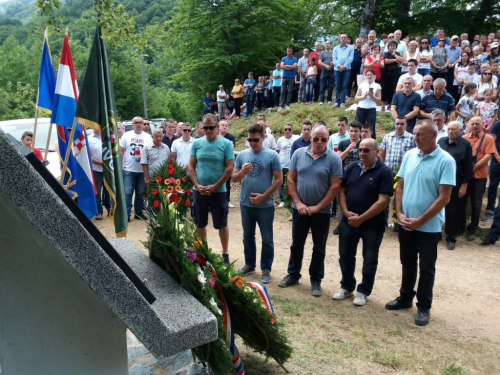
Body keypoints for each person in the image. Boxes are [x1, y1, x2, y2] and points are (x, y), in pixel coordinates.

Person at [386, 120, 455, 327]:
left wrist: (420, 221)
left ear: (434, 135)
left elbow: (444, 198)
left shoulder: (446, 160)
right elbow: (399, 187)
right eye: (414, 134)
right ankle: (406, 297)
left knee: (426, 267)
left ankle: (424, 306)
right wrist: (399, 213)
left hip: (428, 226)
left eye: (420, 135)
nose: (415, 138)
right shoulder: (410, 155)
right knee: (407, 262)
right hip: (407, 222)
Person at [278, 125, 343, 297]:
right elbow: (290, 179)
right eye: (316, 138)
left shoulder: (334, 158)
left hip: (321, 212)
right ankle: (293, 274)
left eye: (324, 139)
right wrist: (298, 202)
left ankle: (316, 279)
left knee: (319, 247)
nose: (320, 142)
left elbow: (335, 186)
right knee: (296, 244)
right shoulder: (299, 154)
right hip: (299, 209)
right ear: (310, 137)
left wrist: (318, 207)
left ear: (328, 140)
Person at [333, 138, 393, 306]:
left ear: (376, 151)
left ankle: (363, 291)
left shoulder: (384, 172)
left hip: (372, 225)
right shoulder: (352, 167)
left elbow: (383, 201)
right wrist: (345, 212)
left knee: (369, 259)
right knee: (345, 255)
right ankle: (346, 286)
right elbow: (342, 191)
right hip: (348, 221)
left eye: (366, 150)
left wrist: (361, 218)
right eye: (360, 150)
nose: (362, 153)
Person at [232, 123, 283, 283]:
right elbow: (233, 178)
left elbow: (279, 179)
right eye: (249, 140)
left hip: (265, 205)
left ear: (263, 137)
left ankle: (266, 268)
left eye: (255, 140)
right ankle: (249, 265)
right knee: (248, 236)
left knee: (267, 238)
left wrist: (264, 196)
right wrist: (241, 172)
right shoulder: (242, 155)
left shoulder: (272, 155)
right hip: (246, 203)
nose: (252, 143)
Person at [188, 114, 234, 265]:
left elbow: (229, 168)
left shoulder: (226, 144)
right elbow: (191, 166)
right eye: (205, 128)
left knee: (221, 223)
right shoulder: (197, 143)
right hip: (199, 191)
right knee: (200, 223)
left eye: (211, 128)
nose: (208, 131)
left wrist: (215, 186)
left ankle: (225, 254)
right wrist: (197, 184)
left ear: (217, 127)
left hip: (218, 191)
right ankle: (202, 251)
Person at [437, 121, 473, 250]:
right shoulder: (441, 142)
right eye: (449, 128)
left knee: (452, 209)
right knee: (437, 207)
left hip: (455, 181)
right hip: (438, 179)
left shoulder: (466, 145)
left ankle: (451, 237)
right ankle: (436, 234)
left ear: (460, 130)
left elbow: (469, 167)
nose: (450, 131)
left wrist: (464, 185)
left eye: (453, 129)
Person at [461, 116, 496, 241]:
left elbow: (488, 156)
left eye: (477, 124)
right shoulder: (464, 138)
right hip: (465, 177)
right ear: (468, 124)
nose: (475, 126)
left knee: (476, 203)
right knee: (462, 201)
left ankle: (472, 229)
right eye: (473, 124)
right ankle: (461, 225)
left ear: (482, 125)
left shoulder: (488, 138)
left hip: (479, 176)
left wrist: (473, 168)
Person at [120, 116, 153, 221]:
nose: (138, 124)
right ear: (132, 124)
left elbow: (150, 153)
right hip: (129, 168)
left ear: (143, 124)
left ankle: (138, 213)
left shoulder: (148, 136)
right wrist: (121, 165)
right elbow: (121, 151)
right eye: (136, 122)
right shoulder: (126, 135)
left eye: (140, 122)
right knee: (128, 192)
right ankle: (126, 214)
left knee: (140, 192)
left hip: (142, 170)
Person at [88, 128, 110, 220]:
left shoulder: (108, 137)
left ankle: (110, 209)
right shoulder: (89, 139)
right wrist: (101, 163)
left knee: (109, 190)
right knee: (97, 191)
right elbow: (88, 156)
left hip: (109, 170)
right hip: (96, 170)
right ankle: (98, 212)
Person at [276, 122, 299, 207]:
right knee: (281, 183)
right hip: (282, 165)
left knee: (292, 183)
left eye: (289, 129)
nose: (287, 131)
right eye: (286, 129)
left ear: (292, 130)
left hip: (293, 166)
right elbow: (277, 151)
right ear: (283, 130)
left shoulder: (296, 138)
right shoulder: (280, 140)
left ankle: (292, 200)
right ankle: (282, 201)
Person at [482, 119, 500, 222]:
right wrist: (498, 158)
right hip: (496, 160)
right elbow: (492, 142)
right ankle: (490, 210)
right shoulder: (498, 123)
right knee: (493, 185)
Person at [355, 69, 381, 136]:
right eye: (368, 75)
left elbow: (379, 99)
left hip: (371, 109)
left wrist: (372, 96)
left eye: (371, 75)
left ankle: (372, 142)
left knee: (371, 127)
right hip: (361, 108)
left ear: (374, 76)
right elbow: (356, 97)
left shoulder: (377, 86)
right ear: (365, 76)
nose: (369, 76)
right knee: (360, 127)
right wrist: (363, 96)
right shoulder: (362, 85)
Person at [381, 40, 404, 111]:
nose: (392, 47)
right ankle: (383, 105)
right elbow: (385, 61)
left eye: (394, 46)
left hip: (395, 73)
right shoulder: (385, 53)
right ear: (388, 47)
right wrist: (395, 60)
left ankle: (390, 104)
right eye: (391, 45)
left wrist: (394, 55)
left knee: (393, 89)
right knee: (384, 88)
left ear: (396, 47)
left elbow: (401, 60)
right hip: (385, 73)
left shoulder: (397, 53)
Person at [333, 34, 354, 109]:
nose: (343, 39)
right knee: (338, 86)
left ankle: (342, 102)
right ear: (339, 39)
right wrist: (339, 66)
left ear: (347, 39)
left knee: (344, 86)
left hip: (346, 69)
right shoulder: (335, 48)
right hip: (337, 69)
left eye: (345, 37)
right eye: (342, 37)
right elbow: (334, 59)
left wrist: (344, 66)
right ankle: (336, 102)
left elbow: (350, 58)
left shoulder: (351, 48)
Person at [218, 120, 236, 208]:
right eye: (222, 125)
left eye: (226, 125)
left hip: (228, 161)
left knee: (227, 182)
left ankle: (227, 200)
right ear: (218, 126)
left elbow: (232, 147)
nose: (224, 127)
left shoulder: (230, 137)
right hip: (218, 161)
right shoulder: (215, 136)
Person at [278, 47, 298, 112]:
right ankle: (281, 105)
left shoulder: (294, 58)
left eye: (290, 51)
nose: (289, 52)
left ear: (292, 51)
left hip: (291, 77)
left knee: (289, 91)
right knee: (283, 91)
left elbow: (294, 66)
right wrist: (290, 67)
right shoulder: (283, 58)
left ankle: (287, 105)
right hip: (284, 77)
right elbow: (282, 66)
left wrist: (286, 66)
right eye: (288, 51)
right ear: (286, 51)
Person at [318, 41, 335, 105]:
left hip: (332, 71)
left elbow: (336, 59)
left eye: (328, 43)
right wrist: (326, 66)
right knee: (322, 86)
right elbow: (319, 62)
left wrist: (333, 61)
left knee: (330, 86)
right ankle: (321, 100)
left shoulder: (333, 52)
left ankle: (329, 100)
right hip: (324, 71)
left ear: (330, 44)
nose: (327, 45)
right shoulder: (322, 53)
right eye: (326, 44)